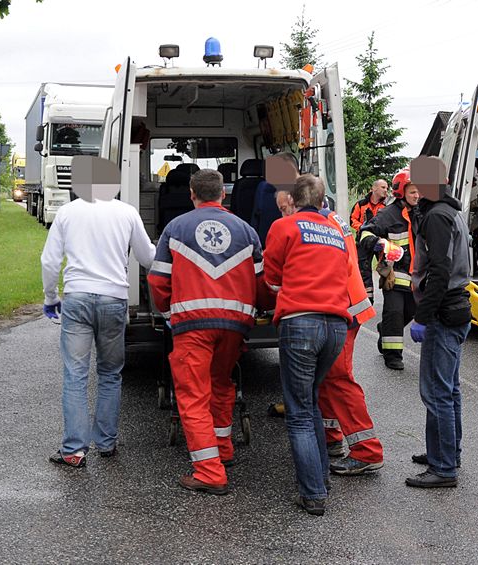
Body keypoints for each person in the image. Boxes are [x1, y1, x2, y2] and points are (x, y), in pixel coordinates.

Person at [148, 169, 264, 495]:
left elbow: (158, 281)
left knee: (193, 395)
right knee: (221, 384)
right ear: (224, 194)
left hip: (192, 324)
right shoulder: (247, 230)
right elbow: (260, 283)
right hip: (235, 324)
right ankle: (223, 450)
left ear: (192, 194)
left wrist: (168, 313)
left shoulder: (176, 228)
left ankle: (210, 472)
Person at [41, 155, 156, 468]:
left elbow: (50, 261)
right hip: (113, 299)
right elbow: (148, 258)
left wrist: (51, 297)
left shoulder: (67, 213)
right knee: (109, 373)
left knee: (75, 375)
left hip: (77, 298)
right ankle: (106, 443)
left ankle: (74, 450)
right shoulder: (127, 212)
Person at [264, 174, 350, 516]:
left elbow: (271, 278)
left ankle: (313, 494)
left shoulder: (284, 227)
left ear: (293, 200)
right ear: (322, 200)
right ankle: (321, 477)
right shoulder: (335, 231)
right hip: (336, 326)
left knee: (298, 412)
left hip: (301, 323)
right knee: (310, 401)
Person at [405, 156, 472, 489]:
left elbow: (440, 271)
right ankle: (446, 453)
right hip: (456, 308)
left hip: (443, 313)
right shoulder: (452, 211)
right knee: (449, 390)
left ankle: (443, 468)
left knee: (437, 392)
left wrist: (422, 316)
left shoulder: (436, 217)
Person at [316, 205, 385, 476]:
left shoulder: (318, 222)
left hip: (342, 309)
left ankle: (367, 451)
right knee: (328, 375)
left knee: (338, 377)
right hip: (347, 305)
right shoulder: (329, 216)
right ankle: (330, 435)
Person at [357, 168, 420, 370]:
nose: (417, 195)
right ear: (401, 192)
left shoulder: (422, 213)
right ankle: (392, 355)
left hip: (416, 277)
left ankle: (384, 330)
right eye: (413, 192)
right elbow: (364, 234)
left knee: (411, 311)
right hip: (394, 275)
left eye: (419, 191)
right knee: (394, 312)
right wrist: (379, 244)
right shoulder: (387, 214)